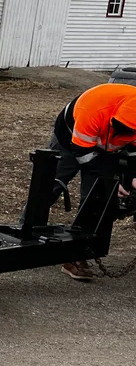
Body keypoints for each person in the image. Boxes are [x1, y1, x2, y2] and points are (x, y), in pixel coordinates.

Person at [50, 82, 136, 281]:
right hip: (71, 141)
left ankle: (77, 256)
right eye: (120, 130)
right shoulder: (92, 111)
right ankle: (25, 233)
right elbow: (82, 153)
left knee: (94, 198)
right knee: (50, 185)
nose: (121, 136)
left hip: (105, 151)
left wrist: (132, 178)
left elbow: (133, 154)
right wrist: (108, 182)